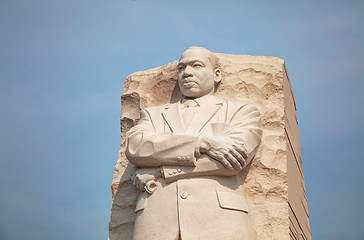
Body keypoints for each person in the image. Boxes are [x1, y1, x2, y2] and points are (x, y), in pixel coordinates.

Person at [125, 47, 262, 240]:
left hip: (220, 219)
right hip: (157, 218)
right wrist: (202, 143)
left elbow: (232, 161)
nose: (186, 72)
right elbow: (136, 147)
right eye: (181, 68)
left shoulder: (240, 112)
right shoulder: (153, 115)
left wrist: (160, 171)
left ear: (216, 75)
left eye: (196, 65)